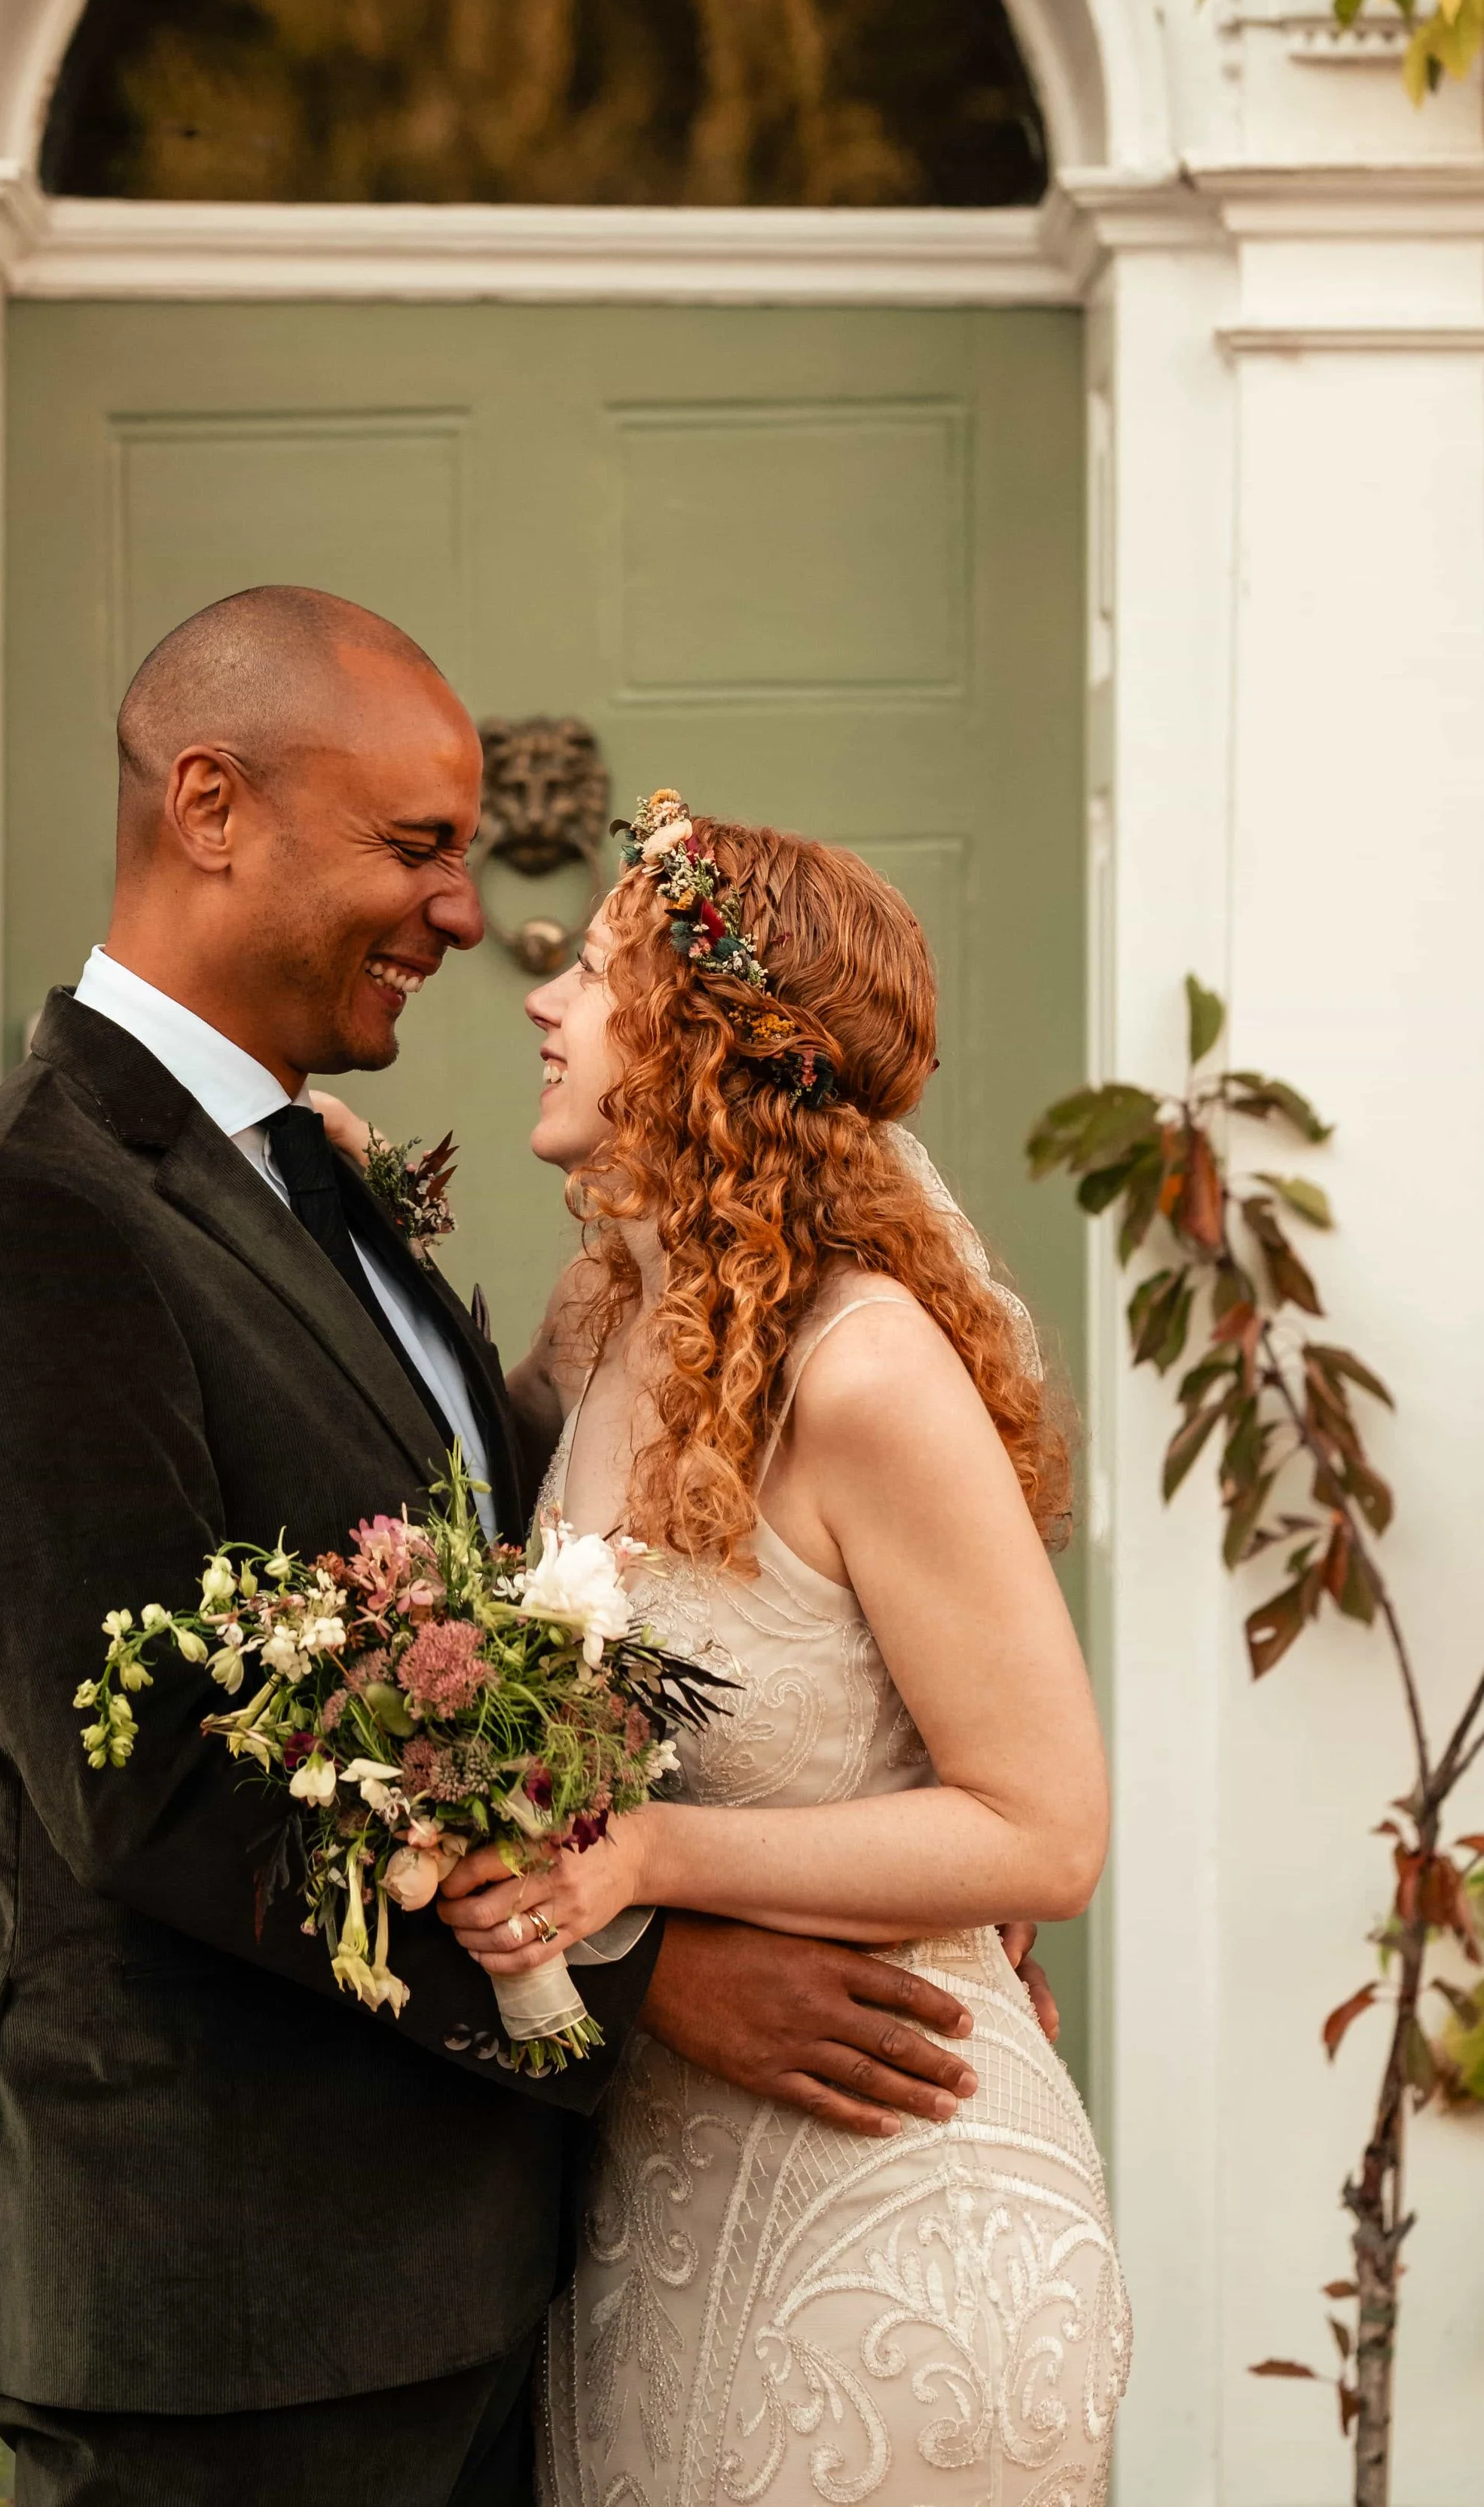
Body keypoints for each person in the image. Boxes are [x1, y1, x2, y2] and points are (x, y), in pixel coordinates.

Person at [0, 595, 992, 2507]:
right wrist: (640, 1983)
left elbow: (548, 1612)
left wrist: (890, 1810)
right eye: (417, 848)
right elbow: (143, 1789)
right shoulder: (31, 1218)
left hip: (490, 2275)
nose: (467, 919)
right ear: (209, 807)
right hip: (230, 2312)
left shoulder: (318, 1178)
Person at [430, 801, 1132, 2504]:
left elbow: (1042, 1830)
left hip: (903, 2229)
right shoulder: (606, 1315)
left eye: (592, 977)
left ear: (696, 1039)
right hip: (652, 2216)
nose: (541, 1002)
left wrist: (650, 1855)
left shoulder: (863, 1367)